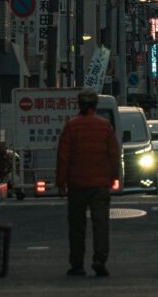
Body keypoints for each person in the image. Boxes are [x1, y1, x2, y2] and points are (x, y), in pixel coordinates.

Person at [56, 88, 120, 277]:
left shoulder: (71, 126)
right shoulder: (105, 126)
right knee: (101, 224)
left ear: (79, 105)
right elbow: (114, 155)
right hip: (100, 184)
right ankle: (99, 259)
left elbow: (63, 157)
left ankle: (77, 264)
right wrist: (113, 177)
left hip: (77, 184)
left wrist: (61, 183)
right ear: (95, 105)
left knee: (77, 226)